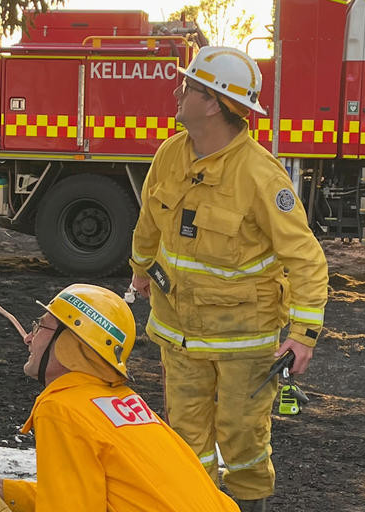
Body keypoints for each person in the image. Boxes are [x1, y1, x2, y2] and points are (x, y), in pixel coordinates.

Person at [128, 47, 329, 512]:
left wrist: (303, 336)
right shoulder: (169, 154)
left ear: (215, 102)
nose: (178, 92)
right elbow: (148, 224)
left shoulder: (260, 175)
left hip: (244, 340)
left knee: (243, 442)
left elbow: (305, 259)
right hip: (179, 336)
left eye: (190, 87)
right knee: (186, 441)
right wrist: (140, 272)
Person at [0, 284, 239, 512]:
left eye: (40, 326)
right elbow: (82, 498)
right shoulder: (121, 402)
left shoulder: (62, 408)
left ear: (71, 343)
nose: (29, 338)